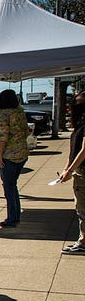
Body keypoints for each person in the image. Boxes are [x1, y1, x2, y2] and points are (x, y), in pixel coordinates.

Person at [0, 89, 30, 228]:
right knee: (13, 185)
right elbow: (26, 130)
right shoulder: (20, 112)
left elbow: (3, 136)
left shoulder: (3, 114)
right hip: (22, 152)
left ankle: (12, 218)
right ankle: (15, 216)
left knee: (8, 187)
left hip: (9, 154)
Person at [57, 92, 85, 253]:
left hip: (83, 171)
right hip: (78, 170)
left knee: (82, 207)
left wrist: (71, 169)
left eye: (80, 103)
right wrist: (66, 169)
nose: (76, 105)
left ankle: (83, 243)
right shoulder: (80, 124)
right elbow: (73, 151)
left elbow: (83, 150)